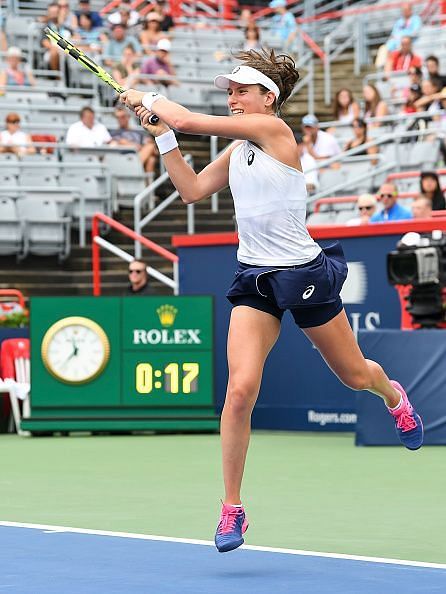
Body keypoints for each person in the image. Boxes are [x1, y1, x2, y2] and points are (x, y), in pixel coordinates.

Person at [120, 47, 424, 554]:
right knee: (240, 391)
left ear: (269, 97)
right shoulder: (239, 150)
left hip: (304, 273)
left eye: (242, 90)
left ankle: (393, 396)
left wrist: (145, 96)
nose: (234, 98)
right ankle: (233, 507)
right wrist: (164, 137)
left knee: (354, 375)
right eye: (231, 91)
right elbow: (192, 190)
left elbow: (190, 116)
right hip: (254, 279)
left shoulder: (276, 133)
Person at [110, 106, 158, 173]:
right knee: (150, 148)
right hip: (124, 157)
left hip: (139, 154)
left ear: (128, 117)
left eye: (123, 117)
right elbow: (115, 144)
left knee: (151, 159)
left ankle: (146, 181)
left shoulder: (137, 132)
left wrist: (138, 146)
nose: (120, 120)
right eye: (118, 118)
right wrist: (133, 145)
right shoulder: (114, 133)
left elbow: (147, 143)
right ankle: (134, 168)